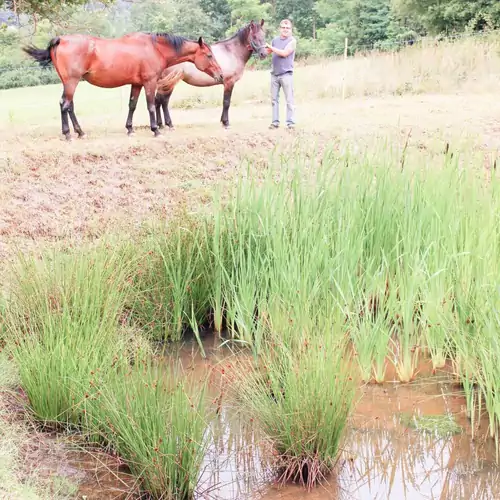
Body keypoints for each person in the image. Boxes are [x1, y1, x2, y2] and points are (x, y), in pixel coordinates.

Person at [266, 19, 297, 129]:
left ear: (291, 29)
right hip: (274, 74)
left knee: (289, 100)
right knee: (274, 100)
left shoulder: (292, 41)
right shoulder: (275, 40)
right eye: (283, 27)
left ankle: (291, 123)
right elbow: (269, 52)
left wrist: (271, 48)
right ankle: (275, 122)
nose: (285, 30)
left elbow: (284, 53)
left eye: (287, 28)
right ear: (280, 29)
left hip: (286, 74)